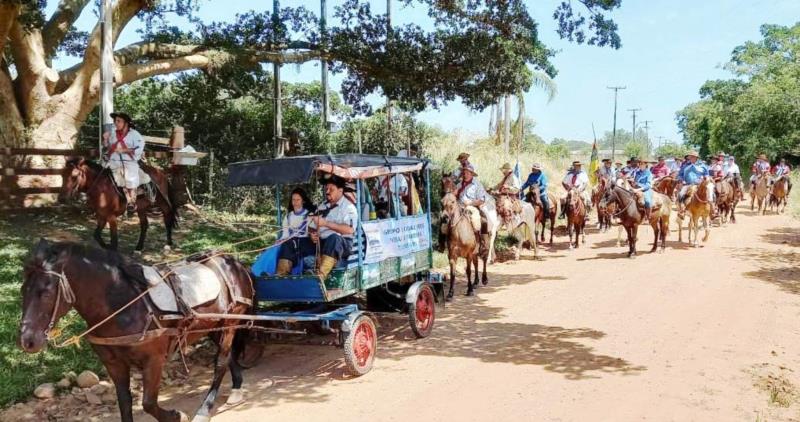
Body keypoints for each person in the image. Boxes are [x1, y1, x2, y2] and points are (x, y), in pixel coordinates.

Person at [276, 175, 358, 279]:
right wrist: (312, 234)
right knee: (291, 242)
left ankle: (319, 276)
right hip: (321, 242)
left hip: (341, 244)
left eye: (331, 189)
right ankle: (281, 276)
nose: (327, 191)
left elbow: (350, 229)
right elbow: (311, 226)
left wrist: (326, 224)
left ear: (340, 190)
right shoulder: (322, 206)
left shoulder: (348, 207)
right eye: (327, 189)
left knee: (334, 238)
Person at [103, 112, 144, 212]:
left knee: (130, 178)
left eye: (118, 121)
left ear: (126, 123)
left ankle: (131, 201)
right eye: (115, 121)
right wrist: (105, 139)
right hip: (113, 160)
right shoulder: (113, 133)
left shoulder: (135, 134)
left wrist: (124, 150)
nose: (116, 123)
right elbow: (107, 147)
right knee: (101, 174)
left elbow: (139, 148)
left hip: (128, 161)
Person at [678, 150, 715, 216]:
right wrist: (681, 180)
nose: (692, 158)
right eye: (691, 157)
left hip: (700, 184)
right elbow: (680, 175)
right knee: (681, 194)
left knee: (712, 193)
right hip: (688, 184)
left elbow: (706, 174)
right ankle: (682, 211)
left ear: (696, 158)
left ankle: (713, 211)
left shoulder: (702, 166)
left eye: (693, 157)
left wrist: (706, 178)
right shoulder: (685, 166)